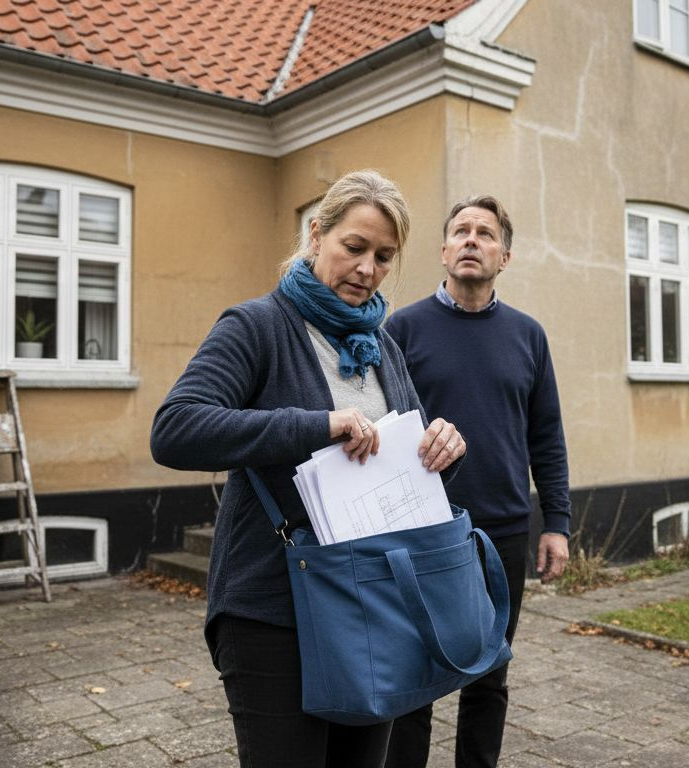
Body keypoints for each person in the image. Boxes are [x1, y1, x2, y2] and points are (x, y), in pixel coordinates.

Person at [149, 170, 467, 768]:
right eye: (354, 247)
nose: (367, 269)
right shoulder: (256, 327)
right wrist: (316, 425)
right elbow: (175, 429)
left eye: (383, 256)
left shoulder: (382, 345)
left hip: (372, 608)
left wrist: (440, 453)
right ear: (316, 235)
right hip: (273, 612)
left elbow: (400, 471)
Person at [383, 196, 571, 768]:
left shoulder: (528, 336)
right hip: (423, 530)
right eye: (460, 231)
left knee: (489, 675)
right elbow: (384, 428)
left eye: (485, 233)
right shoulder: (402, 329)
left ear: (504, 256)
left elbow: (547, 437)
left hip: (503, 532)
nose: (471, 240)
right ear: (443, 251)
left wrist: (556, 524)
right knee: (414, 677)